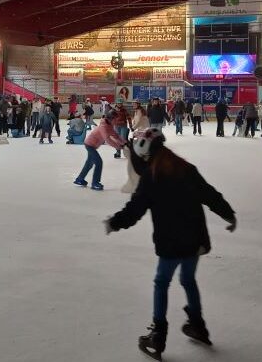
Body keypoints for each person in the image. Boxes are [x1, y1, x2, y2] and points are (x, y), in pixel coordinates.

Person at [104, 128, 236, 360]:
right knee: (188, 279)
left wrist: (114, 223)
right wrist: (228, 214)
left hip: (172, 242)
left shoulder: (151, 178)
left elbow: (135, 210)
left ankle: (158, 335)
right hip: (195, 238)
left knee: (161, 282)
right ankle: (198, 325)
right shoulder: (186, 168)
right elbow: (209, 194)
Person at [73, 110, 126, 191]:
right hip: (90, 145)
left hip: (93, 146)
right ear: (111, 119)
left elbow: (116, 136)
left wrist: (125, 142)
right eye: (115, 119)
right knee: (99, 162)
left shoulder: (109, 125)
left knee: (89, 164)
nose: (116, 121)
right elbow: (107, 140)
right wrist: (118, 146)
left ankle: (79, 179)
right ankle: (95, 183)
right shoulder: (103, 126)